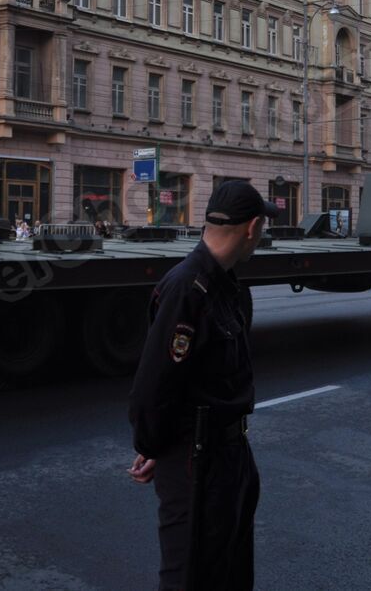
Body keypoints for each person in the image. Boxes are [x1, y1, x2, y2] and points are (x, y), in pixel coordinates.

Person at [128, 180, 275, 591]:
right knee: (190, 578)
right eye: (263, 228)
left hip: (230, 456)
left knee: (229, 573)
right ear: (253, 228)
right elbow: (153, 385)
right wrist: (156, 447)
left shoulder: (225, 285)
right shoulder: (186, 287)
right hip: (196, 463)